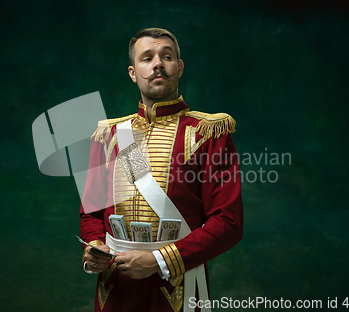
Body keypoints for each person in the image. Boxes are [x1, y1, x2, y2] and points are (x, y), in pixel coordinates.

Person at [79, 28, 243, 312]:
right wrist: (94, 247)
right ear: (133, 72)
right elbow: (91, 213)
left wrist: (158, 260)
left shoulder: (208, 131)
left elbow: (228, 223)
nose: (157, 64)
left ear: (179, 68)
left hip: (177, 289)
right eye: (147, 58)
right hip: (115, 288)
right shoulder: (110, 135)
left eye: (166, 56)